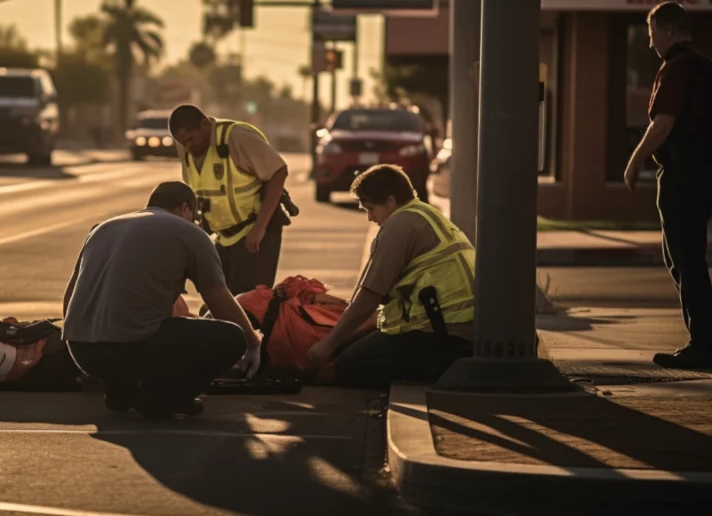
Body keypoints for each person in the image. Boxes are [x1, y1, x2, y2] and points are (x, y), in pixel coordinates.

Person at [62, 181, 263, 418]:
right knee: (231, 337)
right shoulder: (191, 233)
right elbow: (219, 299)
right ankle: (165, 397)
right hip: (129, 348)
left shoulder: (102, 229)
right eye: (194, 215)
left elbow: (70, 296)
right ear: (185, 208)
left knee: (143, 330)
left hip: (82, 351)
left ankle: (119, 390)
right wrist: (252, 341)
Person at [304, 164, 475, 389]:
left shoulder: (399, 225)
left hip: (441, 334)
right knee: (355, 348)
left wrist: (328, 344)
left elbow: (368, 297)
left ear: (391, 201)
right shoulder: (426, 213)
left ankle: (436, 368)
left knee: (348, 366)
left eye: (371, 208)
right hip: (460, 327)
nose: (369, 217)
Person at [624, 1, 712, 369]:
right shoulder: (706, 69)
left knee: (684, 260)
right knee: (686, 258)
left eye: (652, 34)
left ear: (669, 30)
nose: (650, 43)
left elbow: (663, 124)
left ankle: (704, 345)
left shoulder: (674, 70)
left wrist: (635, 159)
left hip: (682, 178)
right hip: (705, 175)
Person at [169, 104, 292, 296]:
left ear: (204, 124)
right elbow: (200, 190)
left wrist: (259, 229)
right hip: (224, 237)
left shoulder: (237, 136)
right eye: (183, 142)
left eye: (191, 139)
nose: (188, 146)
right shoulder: (186, 147)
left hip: (256, 233)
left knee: (250, 303)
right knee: (223, 301)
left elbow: (278, 171)